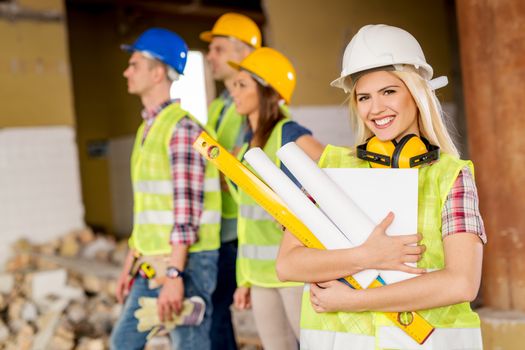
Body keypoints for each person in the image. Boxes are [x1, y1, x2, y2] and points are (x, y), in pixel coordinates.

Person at [276, 24, 486, 350]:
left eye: (389, 92)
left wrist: (352, 300)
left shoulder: (450, 175)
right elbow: (288, 264)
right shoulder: (332, 169)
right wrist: (365, 256)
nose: (375, 109)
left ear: (416, 94)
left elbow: (462, 282)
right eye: (364, 97)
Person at [110, 28, 221, 350]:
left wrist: (175, 275)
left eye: (134, 65)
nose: (125, 71)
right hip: (152, 261)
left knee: (190, 345)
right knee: (123, 343)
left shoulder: (182, 128)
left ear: (158, 72)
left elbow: (187, 211)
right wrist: (128, 264)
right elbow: (147, 209)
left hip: (185, 264)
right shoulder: (149, 127)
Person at [228, 47, 325, 350]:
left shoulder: (288, 132)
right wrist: (243, 279)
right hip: (259, 275)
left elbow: (332, 166)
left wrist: (306, 207)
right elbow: (248, 218)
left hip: (292, 272)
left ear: (267, 91)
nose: (234, 91)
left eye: (243, 84)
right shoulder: (245, 143)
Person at [200, 12, 261, 350]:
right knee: (216, 311)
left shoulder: (261, 105)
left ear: (245, 53)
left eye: (219, 48)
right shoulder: (221, 106)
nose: (211, 56)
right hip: (220, 228)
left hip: (243, 230)